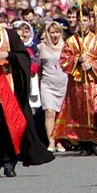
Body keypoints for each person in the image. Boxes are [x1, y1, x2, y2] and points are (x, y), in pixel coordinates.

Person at [0, 0, 54, 178]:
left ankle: (9, 162)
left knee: (8, 127)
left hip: (9, 90)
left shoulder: (10, 35)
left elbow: (23, 57)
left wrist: (9, 55)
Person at [54, 6, 97, 151]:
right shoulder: (71, 41)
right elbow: (64, 61)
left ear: (90, 21)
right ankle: (84, 142)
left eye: (86, 20)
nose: (83, 23)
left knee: (96, 110)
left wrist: (91, 64)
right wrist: (77, 60)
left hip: (95, 84)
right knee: (80, 112)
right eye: (80, 21)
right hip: (77, 85)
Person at [37, 20, 68, 152]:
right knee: (50, 112)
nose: (54, 35)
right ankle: (51, 141)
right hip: (47, 84)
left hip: (63, 83)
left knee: (61, 114)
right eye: (52, 32)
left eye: (57, 32)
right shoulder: (41, 47)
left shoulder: (66, 46)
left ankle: (60, 140)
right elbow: (38, 67)